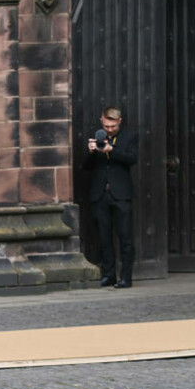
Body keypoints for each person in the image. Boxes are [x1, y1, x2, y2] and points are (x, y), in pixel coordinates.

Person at [84, 106, 139, 289]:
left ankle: (126, 277)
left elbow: (131, 158)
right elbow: (86, 166)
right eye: (107, 126)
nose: (109, 129)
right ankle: (108, 275)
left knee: (125, 237)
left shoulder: (129, 137)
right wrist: (92, 151)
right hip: (100, 194)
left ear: (120, 122)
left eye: (113, 126)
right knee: (104, 237)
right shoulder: (97, 137)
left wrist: (110, 150)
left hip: (121, 194)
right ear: (102, 121)